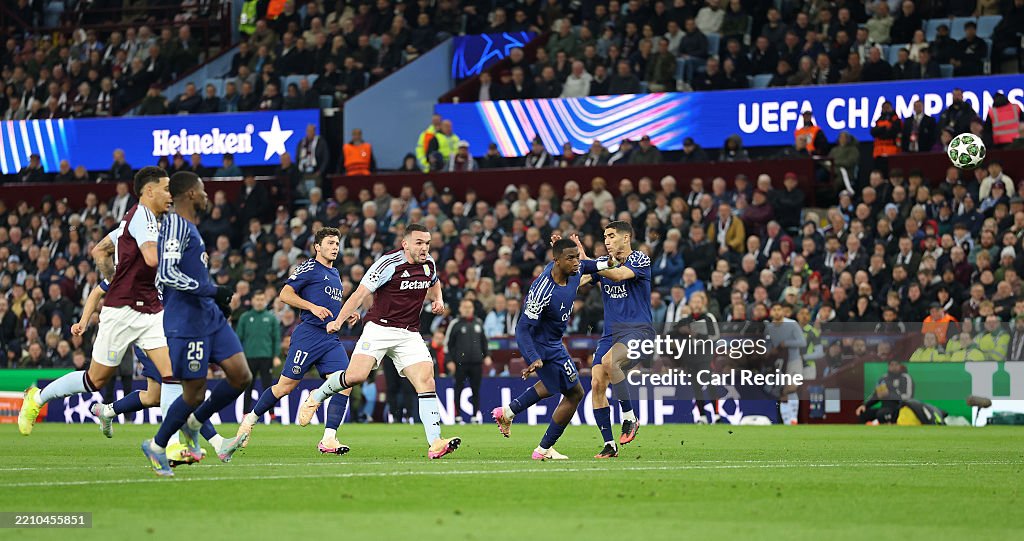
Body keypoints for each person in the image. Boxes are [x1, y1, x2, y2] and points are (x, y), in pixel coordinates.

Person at [19, 167, 174, 436]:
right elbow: (151, 258)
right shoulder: (142, 218)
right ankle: (37, 397)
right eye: (166, 188)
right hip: (123, 310)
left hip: (149, 310)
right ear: (149, 191)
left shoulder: (140, 223)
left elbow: (99, 249)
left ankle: (169, 446)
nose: (170, 195)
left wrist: (116, 277)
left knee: (172, 376)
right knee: (95, 380)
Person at [298, 224, 461, 459]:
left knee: (426, 380)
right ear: (405, 244)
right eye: (419, 243)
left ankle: (435, 442)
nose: (424, 248)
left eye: (427, 243)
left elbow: (434, 281)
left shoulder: (429, 264)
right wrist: (339, 321)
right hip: (379, 328)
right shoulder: (388, 264)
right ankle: (317, 396)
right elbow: (360, 294)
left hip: (408, 333)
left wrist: (438, 299)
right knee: (355, 376)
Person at [140, 172, 253, 476]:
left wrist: (215, 298)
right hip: (187, 321)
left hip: (209, 316)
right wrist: (212, 290)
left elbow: (193, 275)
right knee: (193, 393)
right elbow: (167, 273)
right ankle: (158, 444)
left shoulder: (191, 228)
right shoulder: (175, 223)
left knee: (242, 376)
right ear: (190, 194)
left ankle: (193, 423)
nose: (206, 196)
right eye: (203, 191)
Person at [236, 227, 355, 455]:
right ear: (317, 247)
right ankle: (249, 420)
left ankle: (329, 438)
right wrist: (311, 307)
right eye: (330, 243)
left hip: (329, 337)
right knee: (284, 387)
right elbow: (285, 294)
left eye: (337, 244)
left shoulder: (336, 274)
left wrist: (344, 314)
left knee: (345, 382)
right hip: (309, 335)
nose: (335, 247)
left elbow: (330, 305)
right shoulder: (310, 267)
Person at [492, 238, 588, 460]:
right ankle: (543, 449)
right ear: (556, 261)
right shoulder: (542, 289)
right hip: (543, 346)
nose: (577, 262)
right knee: (575, 393)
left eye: (577, 257)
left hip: (554, 343)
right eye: (571, 258)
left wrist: (610, 263)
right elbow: (523, 329)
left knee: (554, 384)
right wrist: (533, 357)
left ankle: (508, 412)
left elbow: (592, 266)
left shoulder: (572, 271)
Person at [570, 222, 654, 457]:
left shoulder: (639, 259)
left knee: (609, 362)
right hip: (611, 334)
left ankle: (630, 417)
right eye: (604, 236)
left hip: (639, 332)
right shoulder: (601, 263)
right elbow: (577, 282)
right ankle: (609, 444)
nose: (607, 240)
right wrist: (568, 263)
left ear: (626, 237)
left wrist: (589, 264)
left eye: (611, 236)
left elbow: (617, 275)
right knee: (596, 383)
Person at [445, 299, 492, 424]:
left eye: (469, 307)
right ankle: (457, 416)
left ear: (473, 309)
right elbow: (448, 344)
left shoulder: (479, 323)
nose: (467, 309)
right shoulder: (455, 324)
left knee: (475, 389)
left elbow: (484, 341)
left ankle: (475, 415)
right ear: (460, 309)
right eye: (464, 307)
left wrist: (487, 355)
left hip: (476, 362)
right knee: (458, 389)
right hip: (460, 363)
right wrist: (449, 360)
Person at [235, 290, 281, 413]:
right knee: (248, 387)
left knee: (268, 387)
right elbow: (238, 338)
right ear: (252, 301)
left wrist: (276, 355)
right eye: (257, 299)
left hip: (266, 357)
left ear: (265, 301)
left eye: (262, 299)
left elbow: (276, 338)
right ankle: (245, 414)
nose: (260, 302)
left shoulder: (271, 318)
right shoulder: (245, 317)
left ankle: (272, 415)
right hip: (249, 357)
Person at [765, 303, 806, 425]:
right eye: (774, 310)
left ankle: (794, 418)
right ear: (771, 312)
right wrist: (770, 351)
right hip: (779, 363)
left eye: (779, 309)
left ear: (783, 311)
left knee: (791, 388)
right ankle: (787, 420)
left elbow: (802, 342)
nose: (777, 312)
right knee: (782, 391)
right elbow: (767, 345)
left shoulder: (792, 324)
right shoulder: (769, 327)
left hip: (794, 361)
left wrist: (786, 343)